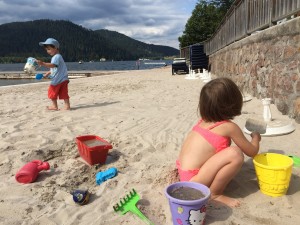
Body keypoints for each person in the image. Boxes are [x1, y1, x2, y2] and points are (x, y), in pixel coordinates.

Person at [176, 77, 261, 207]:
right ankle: (215, 194)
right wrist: (256, 138)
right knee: (235, 154)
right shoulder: (229, 127)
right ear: (233, 103)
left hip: (184, 174)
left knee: (227, 153)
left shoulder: (203, 121)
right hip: (194, 182)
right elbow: (252, 152)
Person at [36, 38, 70, 110]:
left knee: (52, 92)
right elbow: (55, 68)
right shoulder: (59, 56)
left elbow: (53, 65)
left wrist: (43, 63)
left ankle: (54, 106)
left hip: (57, 80)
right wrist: (48, 73)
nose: (48, 51)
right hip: (64, 79)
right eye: (46, 50)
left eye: (49, 49)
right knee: (64, 93)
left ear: (56, 48)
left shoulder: (56, 57)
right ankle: (67, 106)